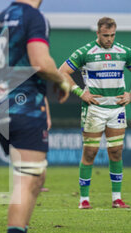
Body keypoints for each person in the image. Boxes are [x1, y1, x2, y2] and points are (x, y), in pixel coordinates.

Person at [0, 0, 70, 232]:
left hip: (2, 110)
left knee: (36, 178)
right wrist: (62, 80)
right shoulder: (33, 16)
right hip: (25, 108)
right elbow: (40, 62)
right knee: (27, 180)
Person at [59, 17, 131, 209]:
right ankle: (84, 200)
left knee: (115, 152)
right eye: (106, 35)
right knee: (90, 153)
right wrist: (80, 92)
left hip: (117, 109)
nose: (109, 39)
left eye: (112, 35)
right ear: (97, 33)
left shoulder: (123, 52)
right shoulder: (86, 52)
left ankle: (117, 198)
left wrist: (130, 95)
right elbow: (61, 72)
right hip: (94, 109)